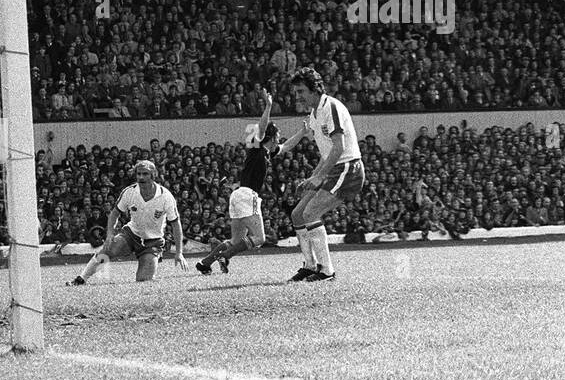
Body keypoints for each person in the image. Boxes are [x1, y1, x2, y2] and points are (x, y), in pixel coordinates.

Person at [276, 67, 365, 282]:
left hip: (348, 169)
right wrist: (312, 177)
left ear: (315, 89)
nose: (297, 96)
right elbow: (326, 155)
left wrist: (318, 177)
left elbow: (339, 147)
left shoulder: (330, 107)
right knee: (298, 214)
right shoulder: (314, 115)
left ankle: (327, 271)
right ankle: (310, 265)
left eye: (301, 91)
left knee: (311, 214)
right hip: (333, 169)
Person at [197, 90, 278, 274]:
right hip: (248, 195)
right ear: (271, 138)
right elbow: (261, 128)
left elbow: (287, 146)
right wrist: (268, 107)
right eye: (277, 136)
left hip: (238, 195)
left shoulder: (263, 153)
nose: (279, 139)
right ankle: (226, 256)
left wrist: (304, 131)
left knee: (235, 241)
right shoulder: (256, 148)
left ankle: (205, 263)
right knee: (259, 239)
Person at [68, 159, 186, 285]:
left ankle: (154, 258)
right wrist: (110, 234)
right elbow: (114, 213)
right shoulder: (129, 192)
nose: (141, 177)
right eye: (139, 174)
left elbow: (175, 223)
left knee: (143, 280)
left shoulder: (166, 196)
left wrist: (179, 253)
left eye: (145, 174)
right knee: (109, 250)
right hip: (131, 234)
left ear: (153, 175)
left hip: (153, 241)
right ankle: (81, 278)